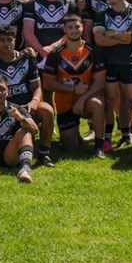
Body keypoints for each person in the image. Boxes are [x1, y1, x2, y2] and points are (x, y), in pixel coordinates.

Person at [0, 25, 55, 167]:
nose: (7, 44)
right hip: (4, 110)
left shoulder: (26, 59)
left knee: (47, 110)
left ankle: (44, 154)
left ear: (15, 40)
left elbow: (37, 87)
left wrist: (34, 101)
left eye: (10, 39)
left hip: (26, 106)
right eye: (2, 40)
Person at [42, 15, 107, 157]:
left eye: (77, 27)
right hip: (65, 103)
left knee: (97, 104)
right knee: (70, 148)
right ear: (64, 29)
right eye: (70, 27)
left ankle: (99, 145)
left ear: (82, 27)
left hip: (87, 100)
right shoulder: (55, 54)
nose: (74, 30)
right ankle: (74, 132)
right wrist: (72, 89)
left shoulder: (93, 51)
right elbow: (47, 83)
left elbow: (100, 81)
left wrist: (82, 98)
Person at [92, 0, 132, 152]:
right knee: (110, 99)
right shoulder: (102, 13)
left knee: (130, 100)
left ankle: (128, 134)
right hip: (109, 63)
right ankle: (107, 136)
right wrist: (123, 37)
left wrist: (112, 34)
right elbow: (99, 40)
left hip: (129, 62)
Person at [23, 0, 77, 67]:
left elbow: (72, 32)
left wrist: (52, 48)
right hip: (38, 53)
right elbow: (27, 31)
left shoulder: (70, 4)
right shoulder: (32, 3)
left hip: (63, 53)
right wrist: (41, 50)